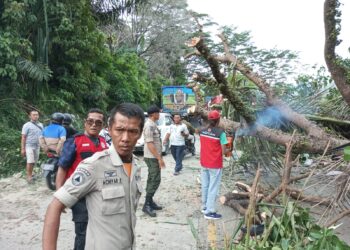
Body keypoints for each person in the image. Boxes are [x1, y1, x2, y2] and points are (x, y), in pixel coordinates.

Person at [43, 103, 145, 250]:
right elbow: (55, 205)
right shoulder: (93, 164)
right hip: (81, 197)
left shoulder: (136, 165)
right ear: (109, 130)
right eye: (119, 130)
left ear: (140, 133)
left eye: (133, 131)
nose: (125, 138)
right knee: (81, 233)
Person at [54, 108, 108, 250]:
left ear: (102, 125)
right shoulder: (74, 141)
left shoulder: (103, 143)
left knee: (99, 230)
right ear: (85, 123)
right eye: (90, 121)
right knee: (82, 233)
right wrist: (60, 197)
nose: (94, 125)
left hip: (98, 196)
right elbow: (62, 168)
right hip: (79, 197)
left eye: (98, 122)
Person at [199, 110, 230, 220]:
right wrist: (229, 148)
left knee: (205, 185)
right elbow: (223, 151)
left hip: (204, 162)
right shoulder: (221, 133)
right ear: (218, 120)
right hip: (215, 163)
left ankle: (204, 206)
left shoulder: (202, 131)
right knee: (213, 188)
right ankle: (209, 211)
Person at [142, 105, 165, 217]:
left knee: (152, 178)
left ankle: (149, 201)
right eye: (158, 113)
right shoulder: (149, 125)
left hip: (154, 156)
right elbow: (150, 144)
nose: (159, 114)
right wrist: (159, 158)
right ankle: (146, 205)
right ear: (154, 114)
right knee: (155, 179)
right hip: (151, 157)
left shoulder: (153, 124)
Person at [21, 109, 43, 183]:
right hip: (29, 145)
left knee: (34, 162)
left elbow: (42, 136)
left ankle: (31, 173)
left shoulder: (41, 125)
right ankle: (29, 177)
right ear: (30, 116)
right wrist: (22, 149)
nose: (35, 116)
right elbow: (23, 137)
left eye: (37, 115)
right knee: (30, 161)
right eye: (34, 115)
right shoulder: (26, 125)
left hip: (37, 146)